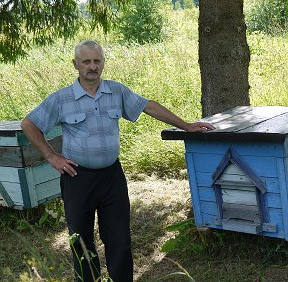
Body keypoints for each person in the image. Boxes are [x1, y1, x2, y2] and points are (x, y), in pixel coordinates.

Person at [21, 40, 215, 282]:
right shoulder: (62, 99)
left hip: (112, 177)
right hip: (77, 178)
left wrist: (186, 125)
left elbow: (149, 107)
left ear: (103, 63)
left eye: (97, 61)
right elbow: (29, 124)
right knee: (80, 239)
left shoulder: (116, 91)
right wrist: (51, 156)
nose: (92, 66)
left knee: (120, 239)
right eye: (86, 61)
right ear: (75, 65)